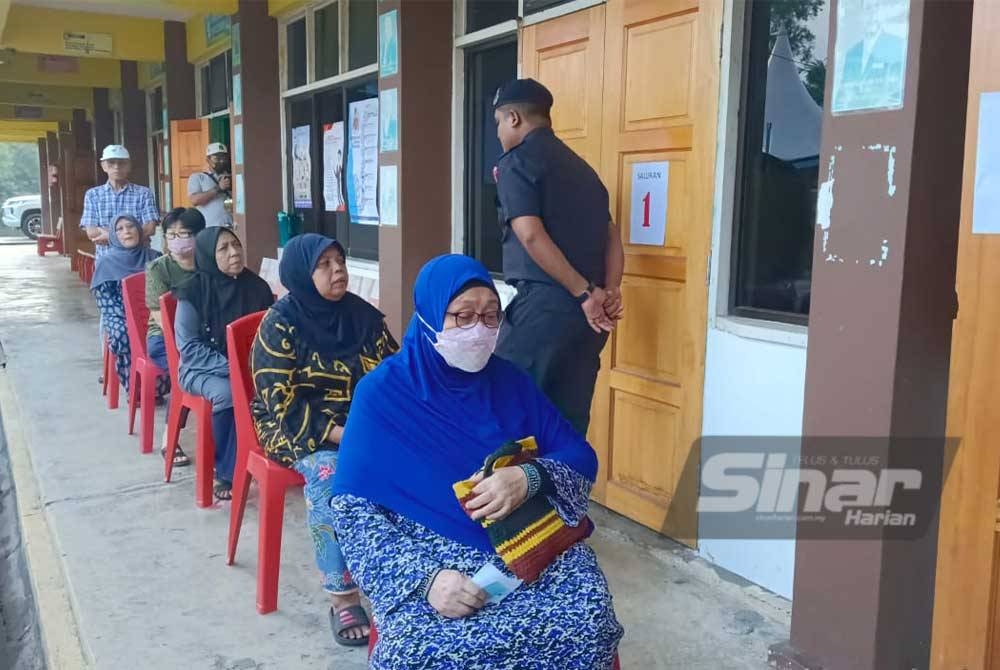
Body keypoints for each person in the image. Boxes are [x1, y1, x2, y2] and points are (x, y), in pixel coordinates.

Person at [330, 254, 623, 670]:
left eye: (490, 316)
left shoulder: (512, 383)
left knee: (589, 619)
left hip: (525, 545)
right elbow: (352, 512)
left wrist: (530, 476)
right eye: (463, 316)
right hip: (429, 559)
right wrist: (425, 579)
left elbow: (578, 456)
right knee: (415, 654)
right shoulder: (382, 395)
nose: (480, 329)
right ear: (430, 316)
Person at [251, 233, 398, 647]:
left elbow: (394, 374)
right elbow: (281, 403)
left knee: (416, 458)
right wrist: (343, 435)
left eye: (340, 261)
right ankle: (343, 596)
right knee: (331, 472)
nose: (338, 271)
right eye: (324, 264)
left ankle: (406, 575)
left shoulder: (362, 316)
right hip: (296, 429)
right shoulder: (279, 324)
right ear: (302, 272)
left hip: (360, 425)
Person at [491, 79, 625, 436]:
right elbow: (612, 236)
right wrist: (609, 290)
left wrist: (584, 293)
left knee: (506, 407)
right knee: (567, 423)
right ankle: (562, 476)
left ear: (514, 118)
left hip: (546, 308)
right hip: (588, 321)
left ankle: (515, 477)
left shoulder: (517, 163)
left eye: (499, 122)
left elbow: (530, 234)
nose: (499, 132)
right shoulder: (584, 171)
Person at [173, 228, 273, 500]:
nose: (234, 253)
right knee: (228, 393)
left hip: (249, 367)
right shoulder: (192, 291)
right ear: (208, 254)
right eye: (223, 249)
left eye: (236, 245)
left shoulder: (257, 287)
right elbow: (189, 348)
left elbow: (269, 333)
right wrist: (235, 370)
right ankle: (227, 470)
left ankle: (271, 453)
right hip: (200, 369)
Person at [146, 207, 207, 467]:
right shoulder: (159, 269)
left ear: (199, 235)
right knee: (182, 371)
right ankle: (169, 439)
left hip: (205, 336)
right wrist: (188, 348)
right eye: (171, 235)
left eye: (184, 234)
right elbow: (161, 318)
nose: (177, 240)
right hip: (165, 338)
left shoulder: (210, 263)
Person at [91, 215, 166, 398]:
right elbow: (106, 302)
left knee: (168, 334)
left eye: (131, 226)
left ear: (139, 230)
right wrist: (131, 320)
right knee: (123, 334)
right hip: (119, 316)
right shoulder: (105, 263)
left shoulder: (154, 257)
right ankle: (135, 388)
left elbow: (164, 294)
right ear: (113, 235)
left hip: (153, 316)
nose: (127, 232)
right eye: (120, 229)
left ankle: (160, 386)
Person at [81, 145, 160, 259]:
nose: (116, 167)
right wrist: (133, 233)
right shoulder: (93, 195)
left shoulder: (144, 193)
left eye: (122, 163)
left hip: (139, 260)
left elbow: (149, 229)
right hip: (107, 260)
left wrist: (109, 236)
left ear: (129, 166)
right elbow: (92, 232)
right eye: (111, 162)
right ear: (103, 166)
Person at [187, 143, 233, 229]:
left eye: (224, 158)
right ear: (208, 159)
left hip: (231, 226)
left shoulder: (232, 177)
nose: (222, 161)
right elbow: (194, 200)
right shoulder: (198, 177)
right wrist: (218, 188)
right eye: (217, 158)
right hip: (209, 227)